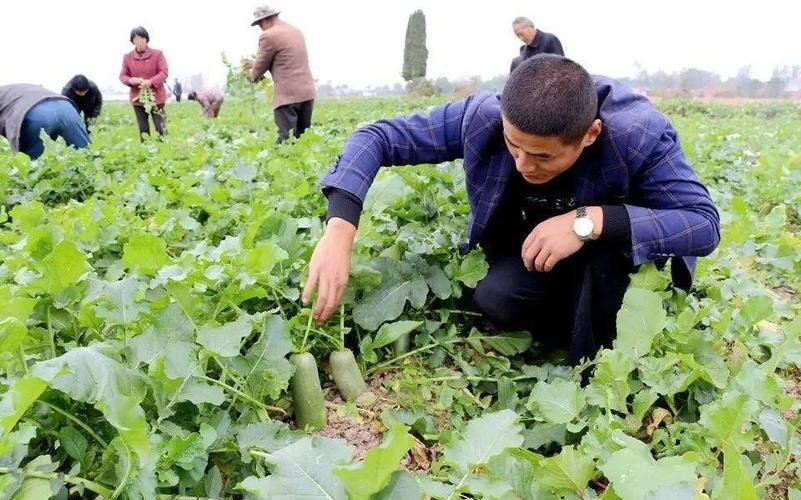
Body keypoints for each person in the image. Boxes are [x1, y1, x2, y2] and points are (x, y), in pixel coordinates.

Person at [302, 55, 721, 364]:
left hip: (613, 254)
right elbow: (376, 137)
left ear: (590, 135)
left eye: (541, 156)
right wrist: (340, 228)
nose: (523, 164)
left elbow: (702, 224)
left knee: (604, 268)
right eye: (513, 145)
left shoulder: (637, 134)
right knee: (495, 298)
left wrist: (588, 221)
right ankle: (566, 320)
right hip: (537, 247)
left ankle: (594, 362)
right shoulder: (483, 117)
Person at [245, 5, 316, 143]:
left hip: (288, 96)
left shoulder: (268, 35)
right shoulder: (295, 31)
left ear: (265, 20)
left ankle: (283, 162)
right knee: (303, 138)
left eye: (260, 24)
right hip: (307, 92)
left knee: (286, 140)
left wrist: (251, 74)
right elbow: (286, 60)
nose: (261, 28)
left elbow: (259, 67)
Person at [0, 83, 90, 159]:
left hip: (35, 114)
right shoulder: (13, 88)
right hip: (67, 108)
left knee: (35, 166)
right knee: (85, 155)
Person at [119, 26, 169, 139]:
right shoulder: (127, 57)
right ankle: (147, 152)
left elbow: (164, 72)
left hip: (156, 98)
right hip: (138, 99)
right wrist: (130, 80)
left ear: (146, 39)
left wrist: (150, 82)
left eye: (141, 38)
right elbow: (122, 76)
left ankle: (164, 151)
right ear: (132, 41)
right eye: (135, 39)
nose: (139, 41)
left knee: (160, 128)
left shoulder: (158, 54)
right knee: (143, 130)